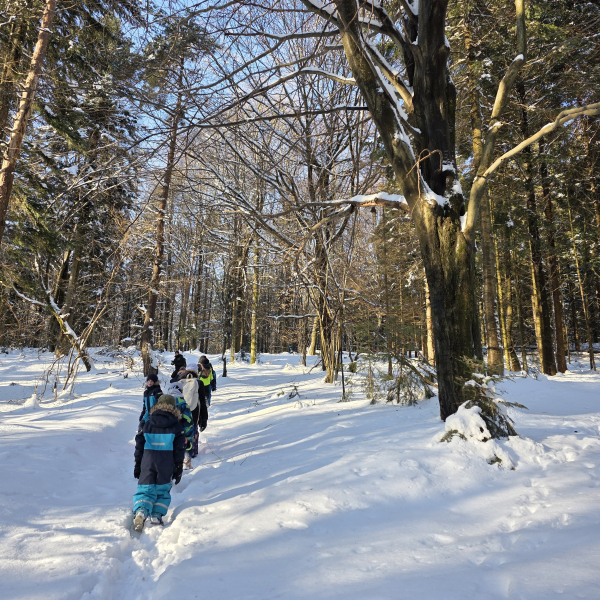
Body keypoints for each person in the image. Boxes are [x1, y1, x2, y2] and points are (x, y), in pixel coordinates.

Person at [132, 394, 185, 532]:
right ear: (173, 407)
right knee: (162, 489)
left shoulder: (148, 423)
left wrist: (138, 462)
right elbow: (179, 449)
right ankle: (156, 515)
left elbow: (139, 444)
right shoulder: (177, 426)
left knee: (145, 488)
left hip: (148, 460)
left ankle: (141, 511)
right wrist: (179, 466)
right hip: (166, 462)